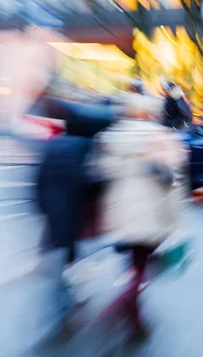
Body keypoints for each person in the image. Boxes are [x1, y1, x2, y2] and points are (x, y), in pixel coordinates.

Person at [94, 93, 188, 336]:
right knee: (144, 265)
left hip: (122, 213)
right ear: (150, 113)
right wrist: (175, 221)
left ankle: (134, 317)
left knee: (135, 264)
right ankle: (121, 306)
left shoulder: (113, 137)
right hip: (152, 215)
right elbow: (172, 184)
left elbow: (103, 172)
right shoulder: (160, 139)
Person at [36, 99, 114, 333]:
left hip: (55, 214)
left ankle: (64, 303)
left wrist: (42, 207)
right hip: (73, 214)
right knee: (72, 259)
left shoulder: (54, 144)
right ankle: (61, 309)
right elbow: (85, 180)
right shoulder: (84, 147)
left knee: (64, 258)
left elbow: (40, 180)